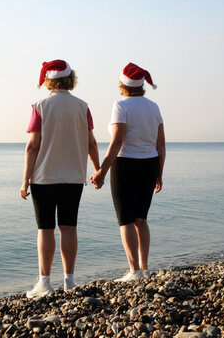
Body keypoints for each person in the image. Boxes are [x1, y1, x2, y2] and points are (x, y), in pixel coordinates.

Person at [20, 59, 100, 298]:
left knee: (45, 229)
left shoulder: (40, 106)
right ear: (69, 79)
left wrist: (25, 180)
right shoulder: (82, 106)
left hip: (44, 177)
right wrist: (97, 170)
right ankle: (70, 280)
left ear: (48, 80)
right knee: (69, 227)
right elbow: (91, 142)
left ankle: (44, 283)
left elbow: (32, 146)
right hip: (74, 176)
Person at [91, 62, 165, 282]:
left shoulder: (121, 106)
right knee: (141, 219)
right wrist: (159, 173)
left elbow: (117, 142)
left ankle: (134, 271)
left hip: (126, 165)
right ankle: (144, 268)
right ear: (141, 85)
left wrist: (102, 171)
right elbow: (160, 144)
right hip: (150, 163)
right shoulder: (153, 107)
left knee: (125, 220)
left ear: (122, 84)